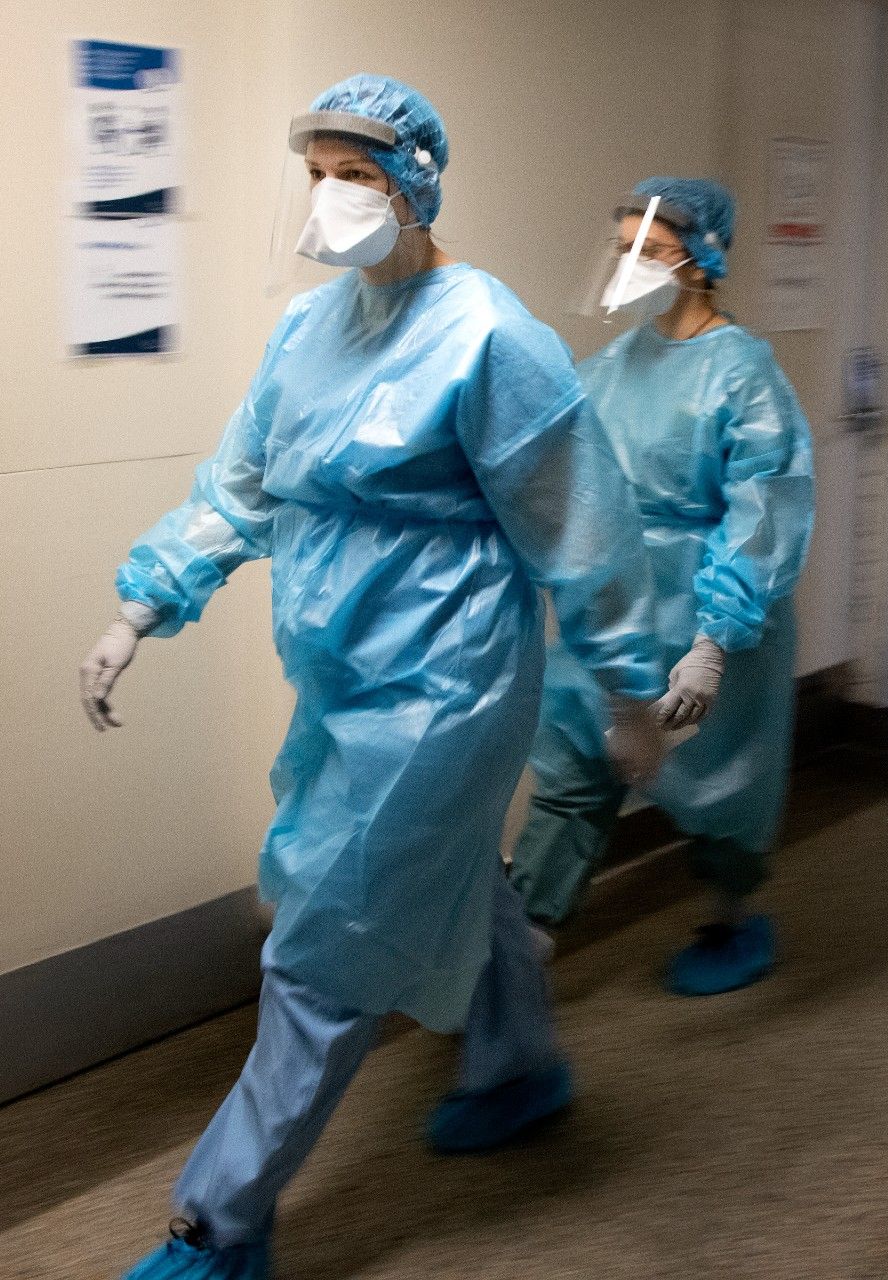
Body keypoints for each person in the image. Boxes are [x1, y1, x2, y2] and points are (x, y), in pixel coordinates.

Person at [77, 75, 667, 1280]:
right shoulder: (310, 329)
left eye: (358, 173)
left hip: (449, 679)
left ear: (416, 183)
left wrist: (629, 684)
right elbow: (242, 486)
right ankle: (518, 1066)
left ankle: (221, 1219)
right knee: (454, 878)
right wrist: (143, 601)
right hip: (346, 670)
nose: (333, 196)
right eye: (319, 174)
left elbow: (584, 530)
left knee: (328, 938)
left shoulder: (496, 337)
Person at [509, 177, 815, 997]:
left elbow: (763, 511)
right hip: (614, 613)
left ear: (703, 255)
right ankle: (518, 953)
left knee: (721, 788)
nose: (631, 263)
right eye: (624, 249)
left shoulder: (743, 374)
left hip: (713, 617)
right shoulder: (609, 366)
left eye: (650, 248)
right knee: (574, 771)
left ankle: (729, 914)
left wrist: (713, 643)